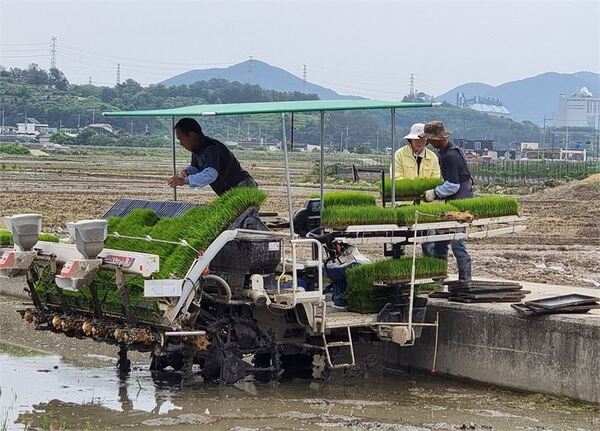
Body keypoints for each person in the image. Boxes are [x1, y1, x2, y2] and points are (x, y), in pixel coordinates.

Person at [421, 121, 473, 281]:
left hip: (460, 202)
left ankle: (465, 282)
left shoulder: (449, 155)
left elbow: (453, 185)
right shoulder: (449, 151)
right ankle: (438, 279)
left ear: (437, 139)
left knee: (457, 242)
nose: (428, 142)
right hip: (455, 200)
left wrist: (434, 193)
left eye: (429, 139)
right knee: (441, 240)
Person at [167, 118, 257, 196]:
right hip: (229, 191)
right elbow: (196, 169)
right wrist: (186, 172)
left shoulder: (211, 148)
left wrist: (184, 181)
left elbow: (210, 174)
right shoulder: (196, 150)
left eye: (180, 139)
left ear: (191, 135)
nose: (181, 143)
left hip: (242, 187)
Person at [390, 123, 441, 258]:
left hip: (426, 205)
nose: (420, 142)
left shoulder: (432, 157)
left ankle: (430, 266)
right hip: (403, 205)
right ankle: (397, 261)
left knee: (429, 239)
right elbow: (396, 178)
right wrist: (414, 189)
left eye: (423, 139)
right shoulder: (400, 155)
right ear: (410, 139)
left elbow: (435, 179)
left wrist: (426, 192)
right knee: (398, 238)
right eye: (417, 139)